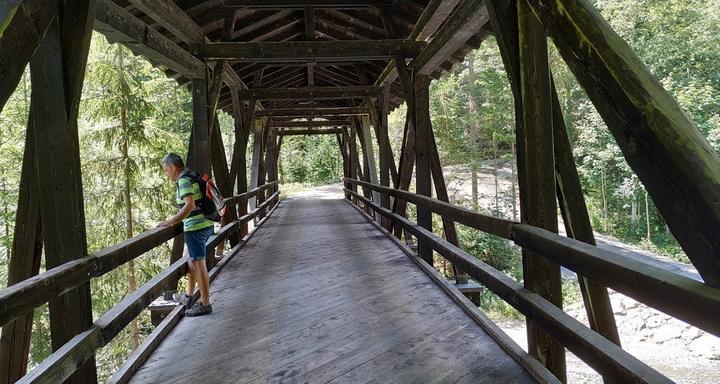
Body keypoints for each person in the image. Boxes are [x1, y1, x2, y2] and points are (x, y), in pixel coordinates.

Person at [158, 153, 213, 317]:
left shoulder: (183, 180)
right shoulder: (191, 175)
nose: (166, 174)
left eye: (166, 170)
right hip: (204, 223)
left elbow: (189, 205)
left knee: (198, 265)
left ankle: (205, 304)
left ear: (174, 167)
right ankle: (188, 296)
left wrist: (170, 222)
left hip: (196, 227)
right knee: (190, 261)